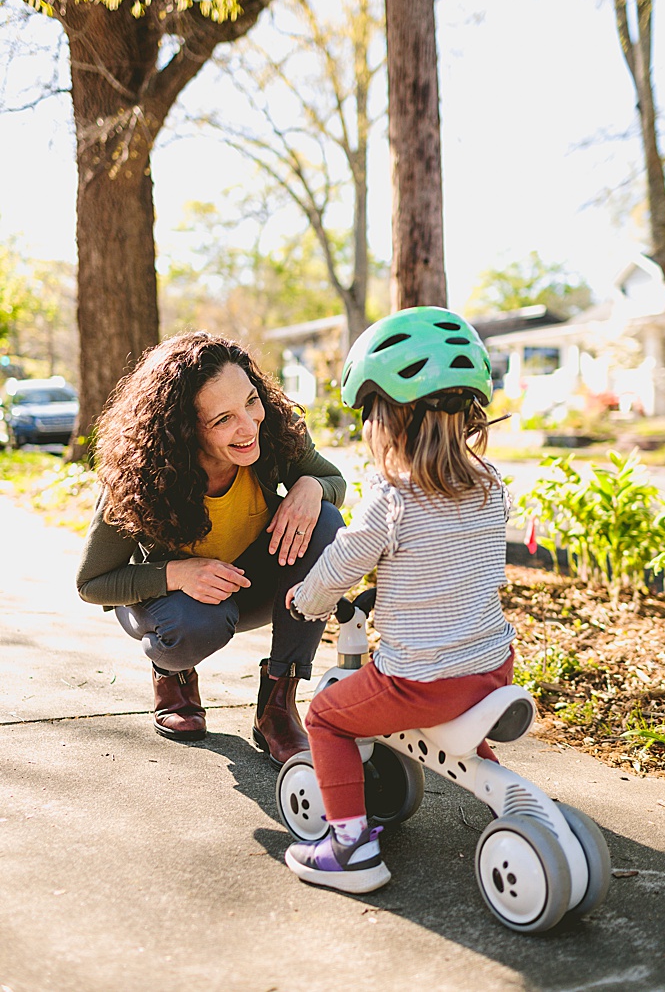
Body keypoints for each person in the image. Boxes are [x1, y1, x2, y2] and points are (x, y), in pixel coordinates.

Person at [281, 307, 516, 894]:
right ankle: (504, 802)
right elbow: (457, 565)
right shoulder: (491, 485)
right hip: (493, 666)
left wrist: (306, 600)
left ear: (388, 418)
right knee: (455, 703)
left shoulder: (394, 498)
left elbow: (340, 563)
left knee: (327, 718)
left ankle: (350, 848)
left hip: (421, 682)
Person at [76, 333, 346, 765]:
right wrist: (178, 574)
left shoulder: (273, 433)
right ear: (183, 428)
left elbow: (335, 482)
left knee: (325, 521)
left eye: (251, 402)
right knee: (196, 621)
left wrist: (312, 486)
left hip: (247, 584)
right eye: (223, 419)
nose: (248, 426)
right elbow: (91, 583)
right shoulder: (141, 478)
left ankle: (277, 704)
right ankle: (172, 673)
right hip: (169, 604)